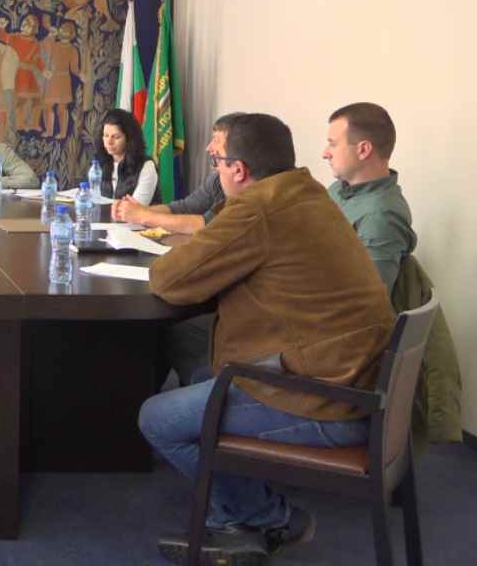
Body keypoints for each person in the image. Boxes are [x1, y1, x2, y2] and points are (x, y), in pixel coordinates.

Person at [139, 113, 395, 565]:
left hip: (329, 399)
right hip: (355, 382)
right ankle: (244, 515)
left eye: (217, 161)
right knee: (201, 376)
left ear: (238, 170)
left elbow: (169, 279)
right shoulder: (306, 193)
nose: (215, 169)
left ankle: (262, 519)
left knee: (157, 417)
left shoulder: (258, 209)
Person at [322, 102, 416, 290]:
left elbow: (368, 299)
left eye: (333, 144)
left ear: (363, 150)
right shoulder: (339, 189)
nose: (325, 154)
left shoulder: (380, 217)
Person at [113, 113, 241, 234]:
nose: (208, 148)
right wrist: (135, 211)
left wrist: (143, 216)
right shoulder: (217, 178)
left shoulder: (246, 197)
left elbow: (206, 225)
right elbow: (185, 207)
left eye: (216, 140)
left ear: (239, 170)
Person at [95, 108, 158, 204]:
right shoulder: (99, 163)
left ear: (129, 138)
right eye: (106, 135)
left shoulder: (146, 166)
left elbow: (136, 209)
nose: (109, 142)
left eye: (116, 137)